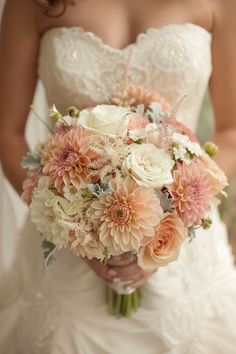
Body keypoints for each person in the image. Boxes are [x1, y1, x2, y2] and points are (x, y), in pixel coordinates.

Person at [1, 0, 236, 353]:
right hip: (64, 249)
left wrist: (171, 223)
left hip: (182, 242)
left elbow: (231, 132)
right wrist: (71, 225)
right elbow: (8, 132)